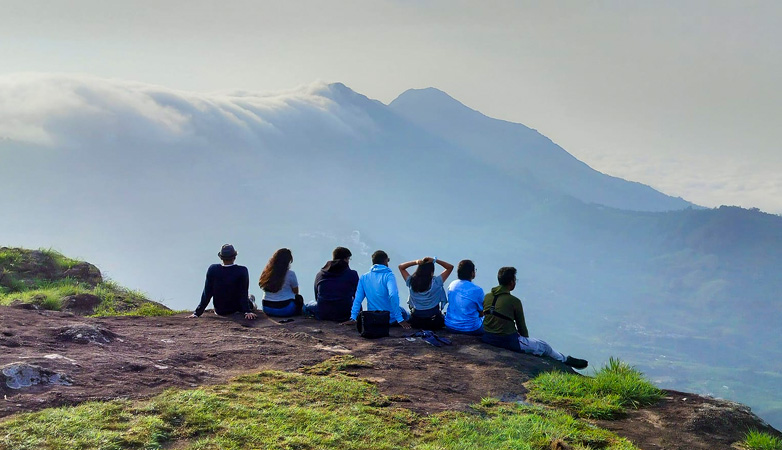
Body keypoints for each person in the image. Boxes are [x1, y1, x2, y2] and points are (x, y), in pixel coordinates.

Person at [482, 266, 588, 369]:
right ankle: (564, 360)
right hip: (507, 341)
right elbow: (522, 327)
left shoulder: (487, 296)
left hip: (487, 337)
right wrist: (526, 341)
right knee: (543, 346)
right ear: (511, 282)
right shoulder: (514, 301)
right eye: (515, 280)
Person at [344, 250, 411, 329]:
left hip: (374, 317)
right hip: (390, 318)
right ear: (385, 261)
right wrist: (400, 319)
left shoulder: (364, 277)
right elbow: (393, 295)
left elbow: (358, 299)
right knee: (407, 314)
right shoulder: (389, 275)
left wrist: (353, 317)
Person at [190, 244, 257, 320]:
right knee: (250, 298)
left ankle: (250, 299)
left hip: (220, 310)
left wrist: (197, 313)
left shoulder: (213, 269)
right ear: (234, 257)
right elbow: (243, 292)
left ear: (221, 257)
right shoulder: (242, 270)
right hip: (237, 308)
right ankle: (251, 299)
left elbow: (207, 292)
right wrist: (247, 311)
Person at [398, 257, 453, 330]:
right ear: (431, 271)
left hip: (416, 320)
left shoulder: (411, 281)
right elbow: (450, 267)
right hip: (434, 321)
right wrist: (435, 260)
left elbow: (401, 267)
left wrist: (416, 262)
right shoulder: (436, 282)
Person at [309, 246, 359, 321]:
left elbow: (317, 296)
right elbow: (357, 296)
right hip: (344, 314)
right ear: (345, 259)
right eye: (348, 259)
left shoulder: (320, 274)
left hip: (323, 313)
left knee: (309, 305)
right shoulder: (352, 274)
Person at [444, 260, 485, 335]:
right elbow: (481, 312)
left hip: (450, 325)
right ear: (472, 273)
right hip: (471, 329)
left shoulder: (452, 284)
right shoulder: (477, 290)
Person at [259, 248, 302, 317]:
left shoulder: (266, 272)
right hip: (285, 309)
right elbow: (296, 291)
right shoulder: (290, 274)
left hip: (267, 308)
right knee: (301, 302)